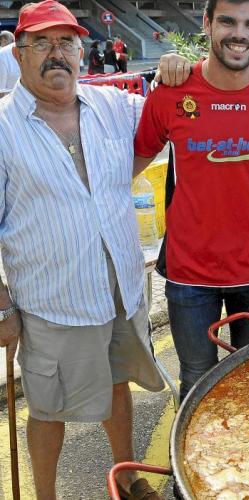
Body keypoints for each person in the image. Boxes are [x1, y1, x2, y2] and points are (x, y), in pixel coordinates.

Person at [0, 2, 172, 498]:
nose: (56, 54)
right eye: (41, 43)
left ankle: (128, 476)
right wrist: (2, 305)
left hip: (120, 288)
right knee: (48, 408)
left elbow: (168, 117)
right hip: (54, 301)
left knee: (117, 383)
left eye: (66, 42)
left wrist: (176, 71)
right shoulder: (4, 128)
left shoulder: (112, 106)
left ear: (81, 51)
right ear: (19, 53)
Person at [134, 0, 249, 401]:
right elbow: (130, 164)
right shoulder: (170, 92)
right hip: (190, 274)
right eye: (227, 21)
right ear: (206, 24)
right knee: (196, 381)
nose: (239, 33)